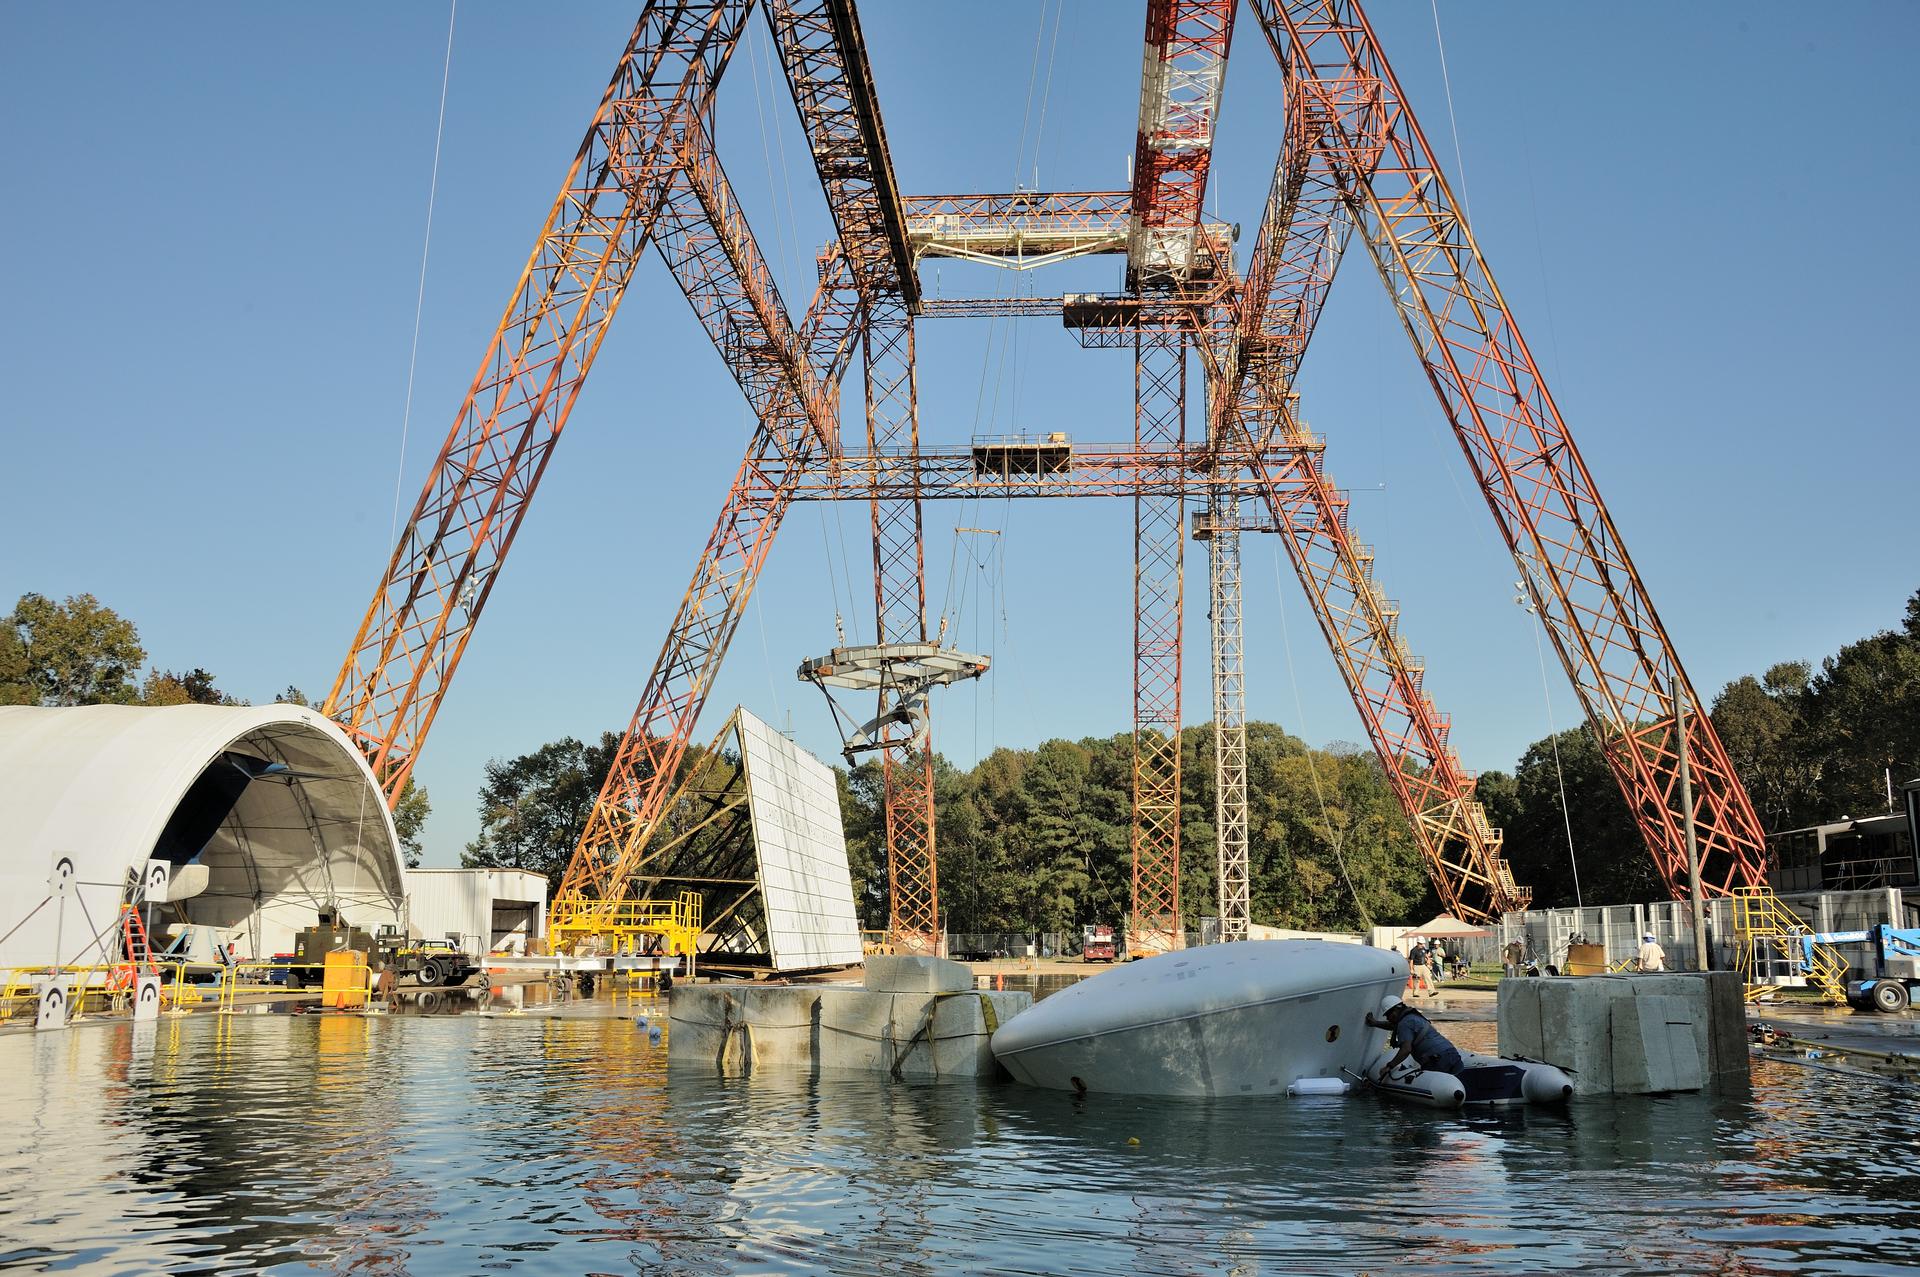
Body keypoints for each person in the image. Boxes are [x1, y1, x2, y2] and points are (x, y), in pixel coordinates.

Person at [1367, 1002, 1465, 1077]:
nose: (1388, 1019)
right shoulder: (1413, 1017)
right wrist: (1375, 1023)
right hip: (1451, 1053)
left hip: (1436, 1061)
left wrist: (1389, 1066)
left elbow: (1406, 1050)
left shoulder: (1404, 1023)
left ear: (1395, 1011)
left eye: (1388, 1015)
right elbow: (1393, 1026)